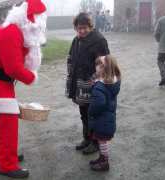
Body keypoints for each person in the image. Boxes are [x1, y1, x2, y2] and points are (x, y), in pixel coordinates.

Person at [0, 0, 47, 178]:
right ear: (30, 19)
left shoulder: (16, 30)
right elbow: (13, 68)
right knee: (8, 121)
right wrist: (32, 77)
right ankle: (7, 165)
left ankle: (3, 156)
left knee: (2, 121)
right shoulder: (12, 32)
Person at [65, 12, 110, 155]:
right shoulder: (76, 40)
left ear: (91, 26)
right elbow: (71, 57)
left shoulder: (99, 40)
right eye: (79, 28)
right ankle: (87, 138)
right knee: (83, 112)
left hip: (93, 83)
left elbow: (104, 64)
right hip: (79, 82)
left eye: (85, 28)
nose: (82, 31)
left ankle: (95, 142)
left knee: (93, 114)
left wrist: (95, 79)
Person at [88, 55, 121, 171]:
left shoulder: (99, 87)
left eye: (99, 64)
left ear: (103, 69)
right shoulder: (113, 81)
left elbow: (99, 103)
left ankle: (104, 162)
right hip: (108, 119)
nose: (96, 66)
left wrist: (91, 111)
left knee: (102, 142)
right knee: (102, 142)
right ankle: (102, 158)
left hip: (101, 120)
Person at [154, 8, 165, 87]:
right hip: (163, 45)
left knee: (160, 61)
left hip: (163, 46)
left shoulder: (161, 20)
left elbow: (156, 33)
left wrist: (159, 41)